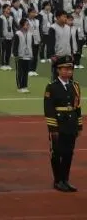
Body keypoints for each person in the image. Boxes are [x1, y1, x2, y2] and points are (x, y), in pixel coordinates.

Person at [44, 55, 82, 192]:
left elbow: (77, 107)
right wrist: (53, 128)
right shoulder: (52, 87)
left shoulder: (75, 86)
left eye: (69, 69)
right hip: (58, 124)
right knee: (57, 153)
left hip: (71, 124)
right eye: (64, 69)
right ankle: (58, 180)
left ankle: (65, 180)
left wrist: (79, 125)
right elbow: (49, 109)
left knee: (68, 153)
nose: (67, 71)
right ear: (58, 70)